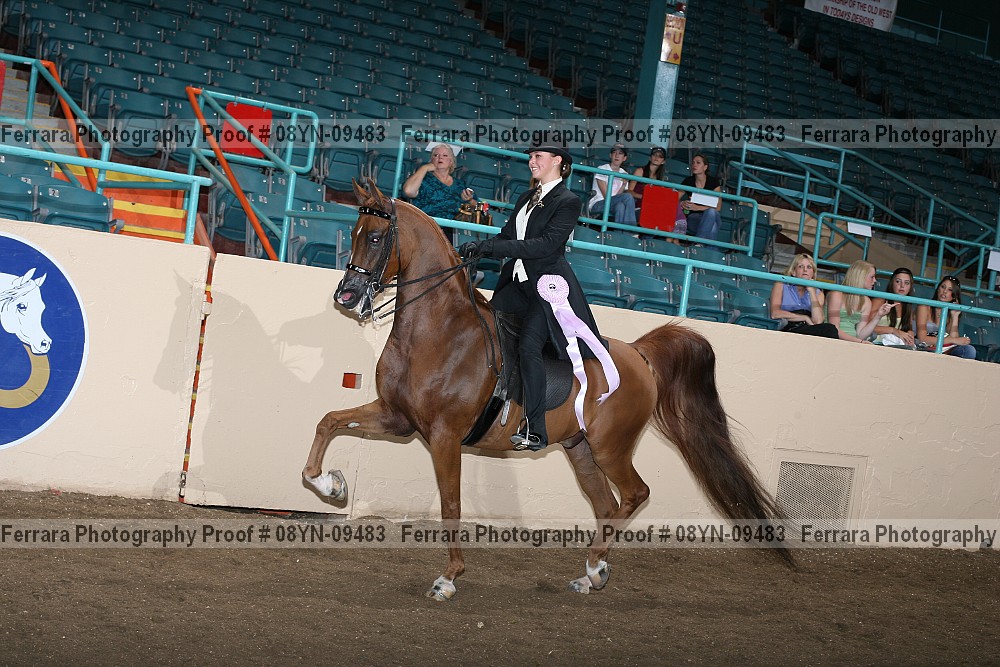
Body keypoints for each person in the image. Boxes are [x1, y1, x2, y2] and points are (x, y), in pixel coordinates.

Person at [458, 143, 606, 451]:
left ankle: (535, 428)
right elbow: (508, 236)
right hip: (516, 283)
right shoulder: (526, 197)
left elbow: (545, 245)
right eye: (530, 156)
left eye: (538, 156)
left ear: (557, 161)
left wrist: (493, 248)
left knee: (528, 347)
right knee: (482, 330)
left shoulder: (568, 201)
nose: (531, 161)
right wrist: (479, 246)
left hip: (546, 288)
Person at [768, 254, 839, 338]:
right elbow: (775, 314)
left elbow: (818, 321)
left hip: (808, 328)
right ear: (793, 272)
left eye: (809, 267)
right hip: (787, 327)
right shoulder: (781, 285)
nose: (805, 270)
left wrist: (812, 292)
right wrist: (804, 317)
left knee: (830, 329)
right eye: (801, 266)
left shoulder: (818, 293)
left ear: (813, 273)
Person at [402, 143, 475, 219]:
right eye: (436, 155)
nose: (440, 157)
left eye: (445, 155)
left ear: (451, 162)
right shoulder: (423, 179)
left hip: (454, 224)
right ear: (431, 160)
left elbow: (479, 207)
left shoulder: (460, 184)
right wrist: (424, 168)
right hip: (427, 222)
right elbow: (408, 191)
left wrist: (470, 200)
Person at [826, 260, 893, 343]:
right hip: (832, 341)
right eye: (872, 277)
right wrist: (859, 341)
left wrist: (878, 316)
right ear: (861, 277)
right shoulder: (836, 295)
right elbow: (834, 330)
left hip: (853, 343)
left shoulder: (867, 301)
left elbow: (860, 334)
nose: (875, 280)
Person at [914, 276, 977, 359]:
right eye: (943, 287)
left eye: (950, 290)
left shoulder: (949, 313)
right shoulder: (924, 307)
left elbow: (954, 340)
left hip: (942, 350)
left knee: (969, 350)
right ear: (938, 289)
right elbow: (922, 338)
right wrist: (953, 340)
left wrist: (955, 316)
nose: (944, 291)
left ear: (954, 296)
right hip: (921, 348)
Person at [587, 143, 636, 225]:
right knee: (628, 197)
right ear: (610, 155)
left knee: (620, 206)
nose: (617, 155)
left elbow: (618, 197)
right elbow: (607, 196)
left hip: (613, 203)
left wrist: (624, 184)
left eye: (620, 153)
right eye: (614, 152)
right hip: (598, 204)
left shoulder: (624, 173)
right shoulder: (602, 169)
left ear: (624, 158)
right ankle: (632, 229)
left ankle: (619, 232)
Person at [678, 153, 722, 242]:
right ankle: (701, 246)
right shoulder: (688, 181)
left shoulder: (714, 182)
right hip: (694, 218)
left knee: (711, 212)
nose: (694, 165)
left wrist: (697, 207)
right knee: (713, 227)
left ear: (705, 167)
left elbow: (718, 207)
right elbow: (674, 198)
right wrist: (682, 203)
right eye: (693, 163)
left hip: (712, 215)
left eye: (698, 163)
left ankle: (699, 242)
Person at [870, 267, 917, 346]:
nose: (902, 286)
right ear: (892, 283)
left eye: (907, 283)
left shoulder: (908, 306)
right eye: (898, 281)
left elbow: (908, 328)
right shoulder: (880, 301)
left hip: (896, 346)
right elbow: (867, 327)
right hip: (875, 343)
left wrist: (910, 334)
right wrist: (893, 330)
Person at [630, 145, 666, 221]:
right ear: (650, 157)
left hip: (653, 208)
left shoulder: (661, 178)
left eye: (660, 156)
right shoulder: (640, 171)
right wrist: (645, 197)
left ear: (663, 161)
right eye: (654, 155)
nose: (656, 157)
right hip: (637, 207)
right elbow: (629, 191)